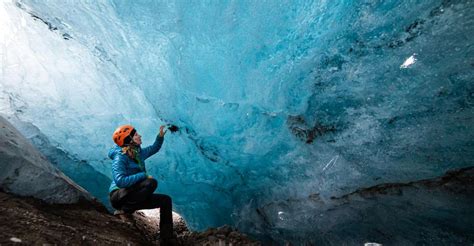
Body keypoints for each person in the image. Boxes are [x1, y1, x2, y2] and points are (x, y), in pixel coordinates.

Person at [108, 124, 177, 245]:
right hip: (119, 196)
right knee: (150, 183)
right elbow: (120, 181)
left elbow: (153, 148)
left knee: (166, 200)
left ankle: (166, 239)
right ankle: (125, 210)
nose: (139, 135)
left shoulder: (137, 152)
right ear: (129, 140)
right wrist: (143, 176)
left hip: (133, 196)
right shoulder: (120, 157)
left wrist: (160, 136)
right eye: (135, 135)